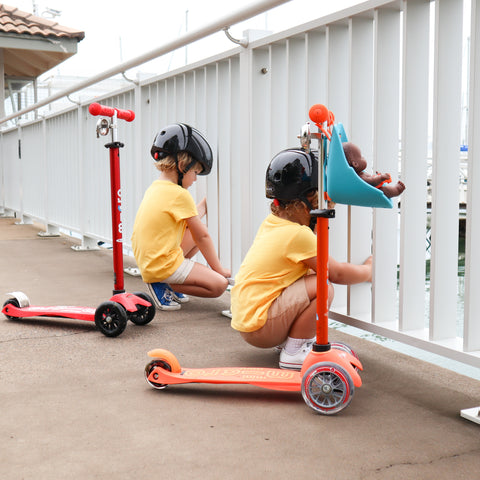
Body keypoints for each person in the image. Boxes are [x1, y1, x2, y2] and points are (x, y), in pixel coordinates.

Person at [230, 148, 372, 370]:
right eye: (322, 202)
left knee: (311, 277)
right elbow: (336, 273)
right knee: (323, 286)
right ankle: (294, 352)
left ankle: (293, 343)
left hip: (250, 321)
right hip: (262, 327)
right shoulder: (298, 234)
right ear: (307, 201)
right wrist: (369, 271)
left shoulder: (273, 223)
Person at [131, 123, 230, 310]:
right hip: (161, 264)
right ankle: (165, 283)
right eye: (195, 172)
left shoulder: (157, 188)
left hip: (150, 260)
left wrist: (209, 202)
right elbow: (202, 236)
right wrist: (218, 269)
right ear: (183, 165)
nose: (195, 179)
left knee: (193, 230)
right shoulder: (179, 194)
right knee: (219, 285)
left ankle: (163, 280)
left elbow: (192, 218)